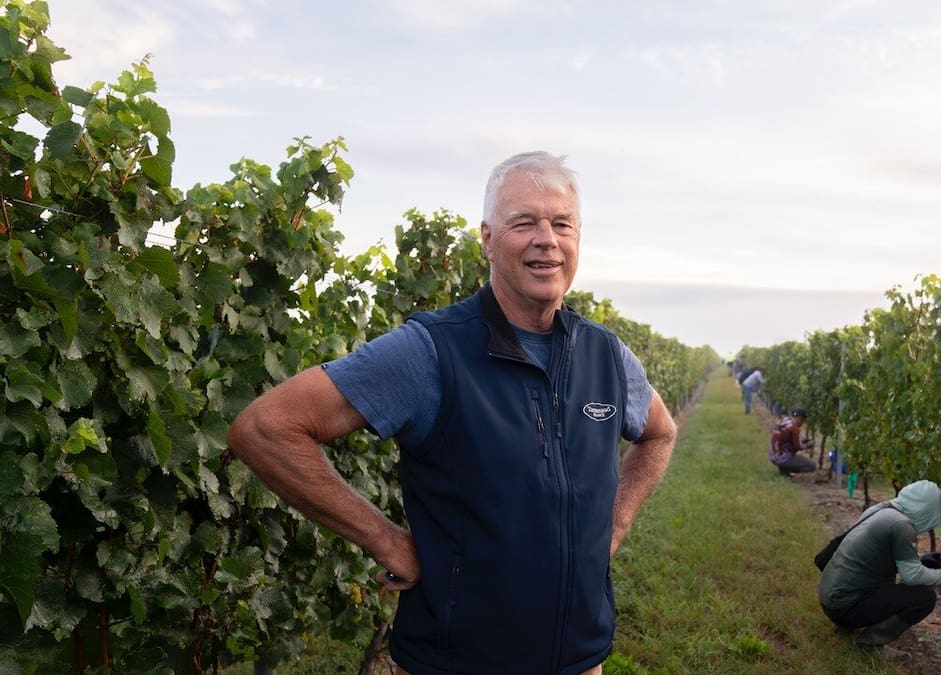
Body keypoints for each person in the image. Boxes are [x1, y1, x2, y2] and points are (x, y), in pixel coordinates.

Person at [226, 151, 678, 675]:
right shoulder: (429, 352)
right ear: (487, 238)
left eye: (562, 224)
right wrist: (383, 539)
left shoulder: (606, 354)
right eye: (523, 222)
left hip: (581, 660)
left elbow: (659, 434)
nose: (546, 240)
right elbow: (266, 427)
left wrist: (615, 526)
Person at [817, 480, 941, 661]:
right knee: (924, 598)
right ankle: (869, 644)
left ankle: (847, 625)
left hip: (831, 598)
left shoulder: (880, 510)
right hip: (844, 607)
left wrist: (922, 560)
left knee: (894, 583)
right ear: (927, 510)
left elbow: (882, 557)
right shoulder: (902, 526)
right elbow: (911, 576)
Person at [769, 407, 817, 476]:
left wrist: (802, 441)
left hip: (773, 455)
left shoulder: (782, 421)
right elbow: (797, 447)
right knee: (812, 466)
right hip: (782, 458)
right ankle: (785, 469)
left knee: (788, 452)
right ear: (800, 418)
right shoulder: (794, 428)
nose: (803, 422)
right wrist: (808, 445)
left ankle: (784, 469)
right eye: (803, 419)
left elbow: (785, 439)